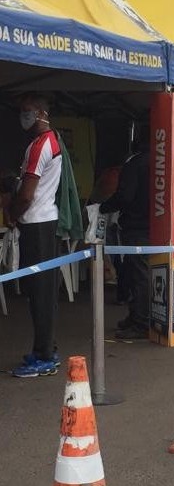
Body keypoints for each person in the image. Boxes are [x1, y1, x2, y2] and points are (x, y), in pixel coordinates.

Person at [7, 95, 68, 377]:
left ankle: (45, 356)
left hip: (37, 224)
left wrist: (13, 214)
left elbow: (28, 194)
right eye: (22, 112)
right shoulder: (47, 141)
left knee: (41, 294)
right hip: (43, 222)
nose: (24, 117)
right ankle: (44, 348)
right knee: (39, 291)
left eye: (28, 112)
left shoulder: (41, 144)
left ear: (43, 113)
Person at [100, 139, 150, 338]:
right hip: (156, 225)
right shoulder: (161, 162)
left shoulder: (134, 164)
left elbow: (124, 196)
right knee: (139, 273)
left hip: (136, 226)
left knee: (139, 274)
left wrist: (104, 207)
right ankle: (136, 315)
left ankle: (141, 322)